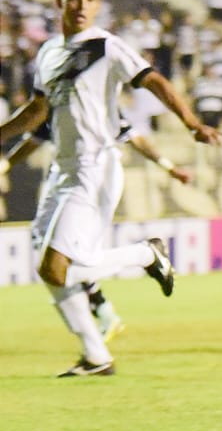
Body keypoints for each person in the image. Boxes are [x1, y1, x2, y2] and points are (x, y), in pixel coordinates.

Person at [0, 0, 221, 376]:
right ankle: (97, 355)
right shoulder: (49, 53)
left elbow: (155, 82)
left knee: (57, 265)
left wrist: (190, 122)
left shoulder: (106, 47)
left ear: (98, 5)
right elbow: (37, 111)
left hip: (96, 166)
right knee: (47, 267)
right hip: (63, 170)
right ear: (60, 3)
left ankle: (144, 254)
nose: (82, 6)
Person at [3, 114, 195, 342]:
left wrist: (168, 166)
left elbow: (134, 137)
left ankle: (143, 257)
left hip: (93, 178)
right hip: (63, 176)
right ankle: (103, 315)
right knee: (45, 243)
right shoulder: (57, 98)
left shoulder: (96, 102)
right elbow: (33, 140)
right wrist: (3, 166)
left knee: (64, 264)